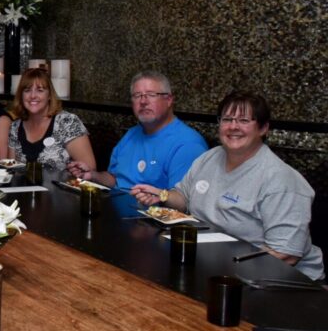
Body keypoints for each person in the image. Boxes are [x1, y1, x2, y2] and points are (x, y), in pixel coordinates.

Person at [132, 91, 324, 281]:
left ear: (263, 128)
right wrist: (163, 195)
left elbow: (285, 254)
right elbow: (183, 198)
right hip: (212, 265)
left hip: (281, 281)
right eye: (227, 119)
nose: (233, 127)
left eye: (244, 120)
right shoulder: (210, 157)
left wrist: (225, 267)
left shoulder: (281, 179)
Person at [67, 71, 207, 189]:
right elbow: (114, 179)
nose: (143, 101)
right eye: (137, 95)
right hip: (115, 206)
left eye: (151, 95)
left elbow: (180, 202)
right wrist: (92, 175)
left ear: (169, 100)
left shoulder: (188, 144)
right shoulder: (132, 134)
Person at [8, 67, 95, 170]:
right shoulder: (15, 127)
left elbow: (90, 170)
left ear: (49, 95)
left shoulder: (67, 122)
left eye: (40, 90)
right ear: (21, 95)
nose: (33, 96)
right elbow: (11, 169)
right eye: (27, 90)